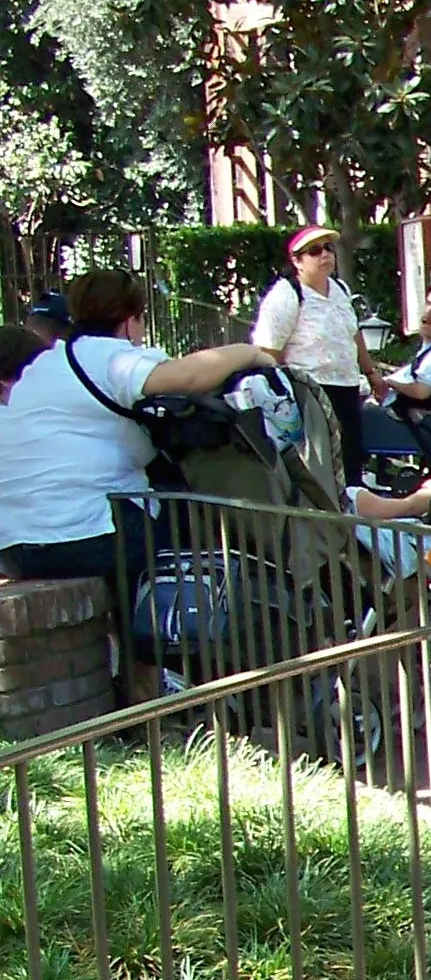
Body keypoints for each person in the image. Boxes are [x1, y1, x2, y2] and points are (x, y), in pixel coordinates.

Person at [0, 269, 277, 682]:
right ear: (130, 320)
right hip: (77, 536)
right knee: (188, 530)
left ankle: (139, 669)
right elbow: (189, 376)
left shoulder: (45, 366)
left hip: (16, 545)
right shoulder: (109, 357)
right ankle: (156, 671)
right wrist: (254, 353)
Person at [252, 224, 379, 481]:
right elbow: (268, 351)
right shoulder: (287, 295)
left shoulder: (340, 290)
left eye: (328, 248)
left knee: (350, 459)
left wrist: (371, 373)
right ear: (297, 260)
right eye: (315, 250)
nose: (325, 255)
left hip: (347, 387)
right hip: (309, 391)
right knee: (321, 464)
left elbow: (353, 334)